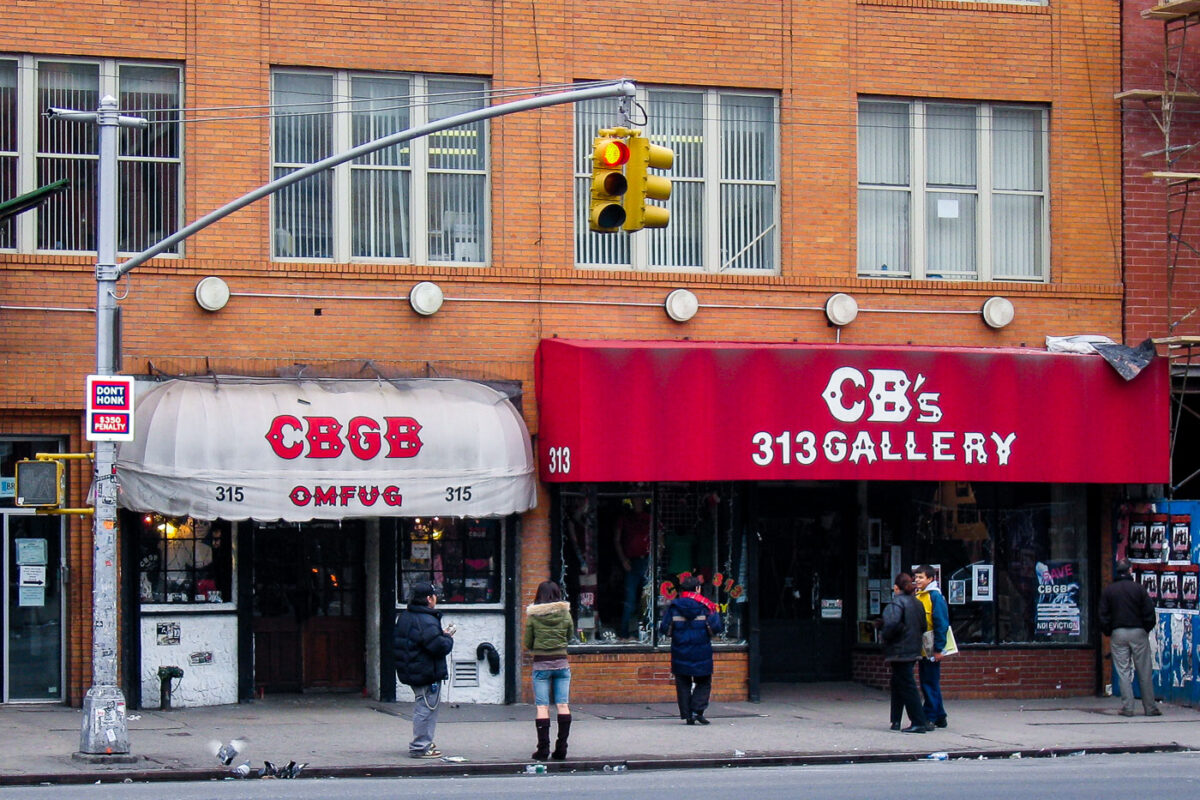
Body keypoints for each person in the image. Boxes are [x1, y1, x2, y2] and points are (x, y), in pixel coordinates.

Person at [392, 581, 455, 758]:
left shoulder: (406, 615)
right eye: (434, 596)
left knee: (424, 705)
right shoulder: (426, 619)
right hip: (425, 670)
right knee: (426, 707)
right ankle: (420, 746)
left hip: (412, 668)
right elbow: (438, 646)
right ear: (429, 598)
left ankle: (425, 740)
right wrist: (447, 637)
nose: (436, 600)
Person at [1099, 559, 1162, 718]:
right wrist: (1145, 629)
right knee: (1144, 670)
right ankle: (1150, 707)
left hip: (1118, 633)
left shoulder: (1109, 590)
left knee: (1123, 671)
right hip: (1138, 632)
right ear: (1129, 571)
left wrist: (1109, 631)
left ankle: (1128, 708)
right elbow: (1149, 613)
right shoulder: (1139, 589)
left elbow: (1103, 615)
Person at [659, 575, 723, 725]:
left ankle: (688, 716)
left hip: (680, 651)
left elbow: (664, 628)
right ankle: (697, 710)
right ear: (698, 589)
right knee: (704, 682)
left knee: (683, 683)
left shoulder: (674, 607)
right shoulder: (706, 606)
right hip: (702, 652)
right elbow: (717, 627)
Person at [524, 580, 574, 761]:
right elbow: (570, 636)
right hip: (561, 664)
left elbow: (528, 642)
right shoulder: (565, 614)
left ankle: (543, 749)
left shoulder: (533, 617)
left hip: (541, 665)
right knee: (562, 705)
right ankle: (561, 748)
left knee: (542, 706)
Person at [878, 573, 929, 733]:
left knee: (906, 685)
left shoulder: (896, 604)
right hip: (913, 648)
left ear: (896, 587)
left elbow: (891, 626)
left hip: (899, 650)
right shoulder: (917, 603)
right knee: (898, 682)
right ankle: (896, 720)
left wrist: (883, 633)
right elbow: (924, 626)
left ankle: (918, 721)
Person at [913, 564, 956, 729]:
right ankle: (940, 716)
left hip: (931, 646)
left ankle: (929, 715)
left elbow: (941, 623)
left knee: (929, 682)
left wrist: (939, 648)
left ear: (930, 579)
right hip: (924, 646)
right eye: (916, 577)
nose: (917, 580)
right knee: (928, 681)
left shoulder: (934, 597)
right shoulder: (920, 595)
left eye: (921, 577)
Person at [615, 498, 653, 638]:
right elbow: (617, 540)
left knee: (648, 599)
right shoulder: (625, 519)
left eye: (639, 501)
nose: (638, 503)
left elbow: (659, 538)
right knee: (630, 600)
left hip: (646, 561)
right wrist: (623, 559)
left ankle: (650, 633)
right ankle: (624, 634)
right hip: (631, 562)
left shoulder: (649, 518)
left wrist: (654, 561)